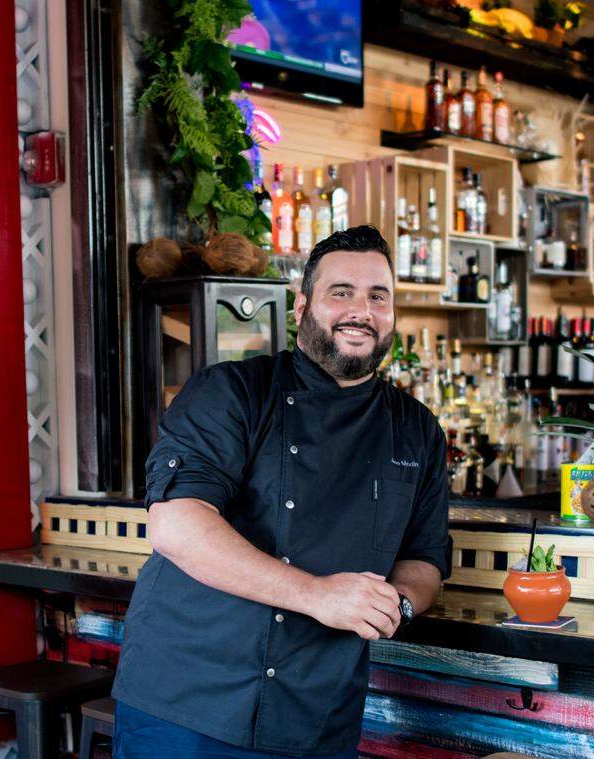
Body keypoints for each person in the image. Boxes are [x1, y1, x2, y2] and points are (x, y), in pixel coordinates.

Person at [111, 226, 452, 758]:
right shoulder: (231, 392)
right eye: (341, 292)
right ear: (301, 308)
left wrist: (395, 606)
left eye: (377, 296)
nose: (360, 309)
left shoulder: (418, 430)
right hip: (188, 698)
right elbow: (176, 523)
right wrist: (319, 595)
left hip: (318, 710)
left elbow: (423, 559)